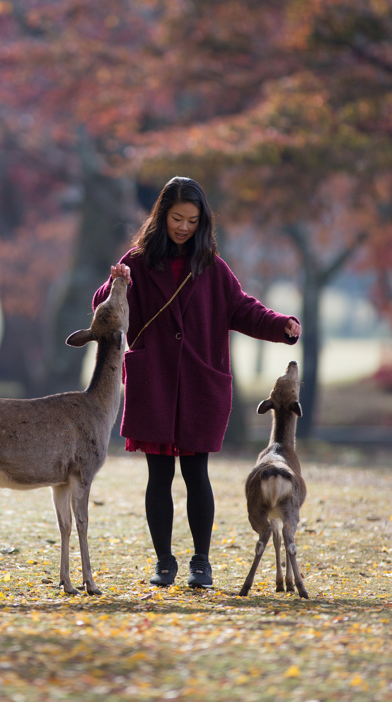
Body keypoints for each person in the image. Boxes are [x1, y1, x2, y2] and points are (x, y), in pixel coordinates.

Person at [92, 176, 301, 589]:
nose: (184, 227)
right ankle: (164, 562)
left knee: (196, 474)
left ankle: (201, 564)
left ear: (202, 221)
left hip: (200, 386)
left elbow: (243, 309)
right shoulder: (136, 262)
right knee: (158, 477)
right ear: (161, 216)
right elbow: (104, 309)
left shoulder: (212, 267)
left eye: (191, 219)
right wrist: (114, 283)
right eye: (176, 218)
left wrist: (282, 326)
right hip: (154, 383)